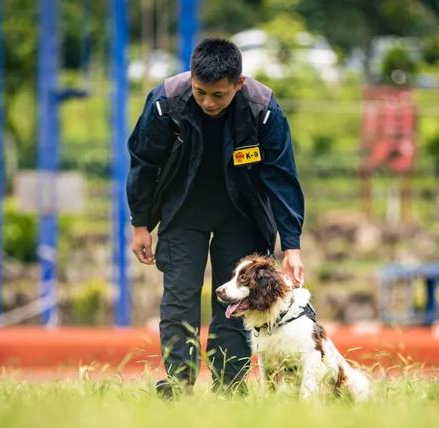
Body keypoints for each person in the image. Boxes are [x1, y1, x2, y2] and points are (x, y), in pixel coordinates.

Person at [126, 38, 304, 397]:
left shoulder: (262, 109)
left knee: (237, 304)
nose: (208, 102)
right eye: (201, 92)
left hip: (242, 215)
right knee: (179, 299)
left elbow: (281, 178)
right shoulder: (166, 103)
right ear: (191, 77)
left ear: (238, 84)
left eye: (218, 95)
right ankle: (179, 384)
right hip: (182, 211)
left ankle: (230, 388)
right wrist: (140, 224)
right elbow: (144, 162)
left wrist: (292, 245)